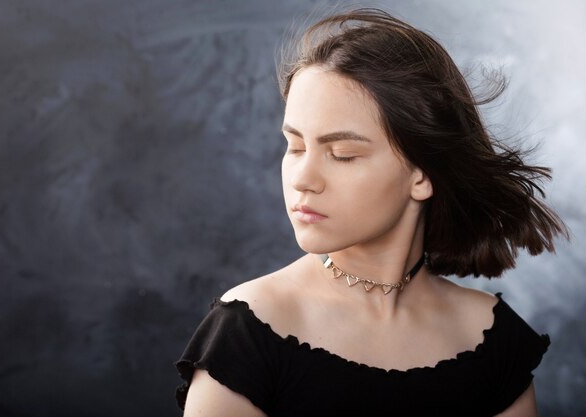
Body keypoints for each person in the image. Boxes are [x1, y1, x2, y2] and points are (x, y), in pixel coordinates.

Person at [174, 8, 568, 417]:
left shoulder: (494, 338)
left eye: (342, 154)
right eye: (295, 147)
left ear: (422, 174)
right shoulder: (248, 330)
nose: (303, 178)